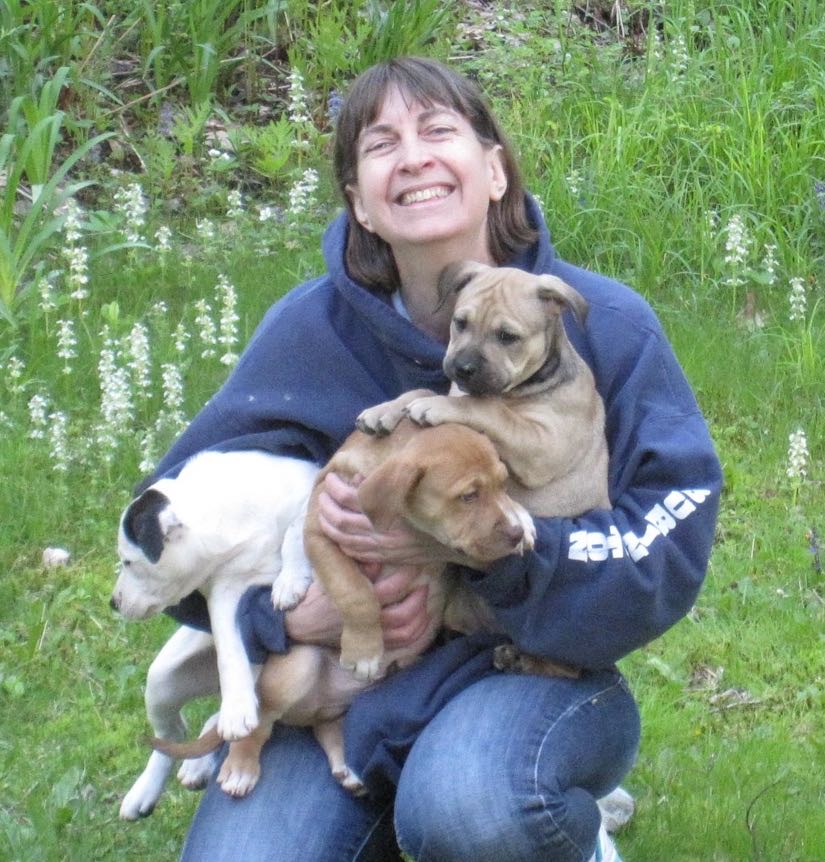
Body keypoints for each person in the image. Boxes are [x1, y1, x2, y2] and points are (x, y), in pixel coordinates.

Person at [151, 57, 722, 862]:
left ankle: (557, 824)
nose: (412, 157)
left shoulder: (605, 325)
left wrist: (499, 551)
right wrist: (279, 615)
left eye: (438, 131)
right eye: (381, 144)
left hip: (522, 673)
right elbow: (174, 527)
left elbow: (668, 543)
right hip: (342, 686)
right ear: (358, 201)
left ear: (495, 172)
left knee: (472, 810)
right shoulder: (307, 334)